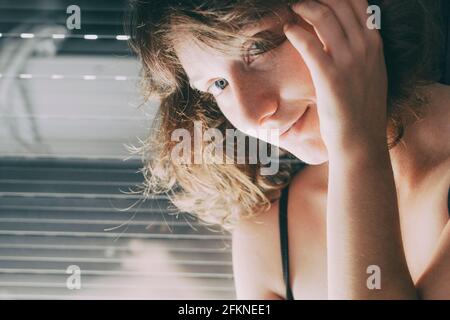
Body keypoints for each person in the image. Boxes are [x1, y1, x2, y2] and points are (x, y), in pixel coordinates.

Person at [127, 0, 450, 299]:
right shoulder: (267, 231)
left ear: (345, 8)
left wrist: (356, 147)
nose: (251, 114)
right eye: (218, 85)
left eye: (258, 47)